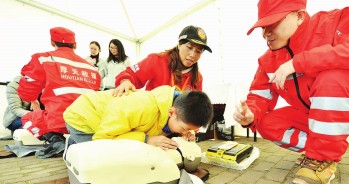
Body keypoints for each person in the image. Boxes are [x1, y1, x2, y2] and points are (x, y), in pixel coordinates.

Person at [233, 0, 349, 184]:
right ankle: (318, 149)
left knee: (333, 77)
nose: (266, 34)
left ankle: (323, 158)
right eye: (263, 27)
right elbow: (259, 97)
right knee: (266, 123)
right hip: (311, 115)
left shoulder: (334, 23)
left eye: (272, 24)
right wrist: (251, 115)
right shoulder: (267, 61)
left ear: (299, 16)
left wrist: (300, 62)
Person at [18, 27, 102, 158]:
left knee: (27, 118)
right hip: (87, 120)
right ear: (75, 45)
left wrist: (33, 100)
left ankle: (55, 140)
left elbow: (26, 91)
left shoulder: (43, 59)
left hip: (58, 120)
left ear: (52, 42)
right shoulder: (90, 67)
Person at [63, 85, 213, 150]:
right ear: (171, 112)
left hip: (107, 121)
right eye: (185, 129)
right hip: (82, 118)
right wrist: (146, 139)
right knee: (101, 159)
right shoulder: (141, 106)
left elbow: (179, 123)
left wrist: (188, 133)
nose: (183, 132)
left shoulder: (177, 107)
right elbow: (103, 138)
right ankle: (73, 143)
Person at [113, 25, 212, 96]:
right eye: (189, 47)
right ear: (179, 45)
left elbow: (195, 106)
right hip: (151, 118)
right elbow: (130, 73)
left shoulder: (197, 78)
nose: (193, 55)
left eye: (198, 51)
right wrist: (125, 81)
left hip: (177, 123)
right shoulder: (157, 60)